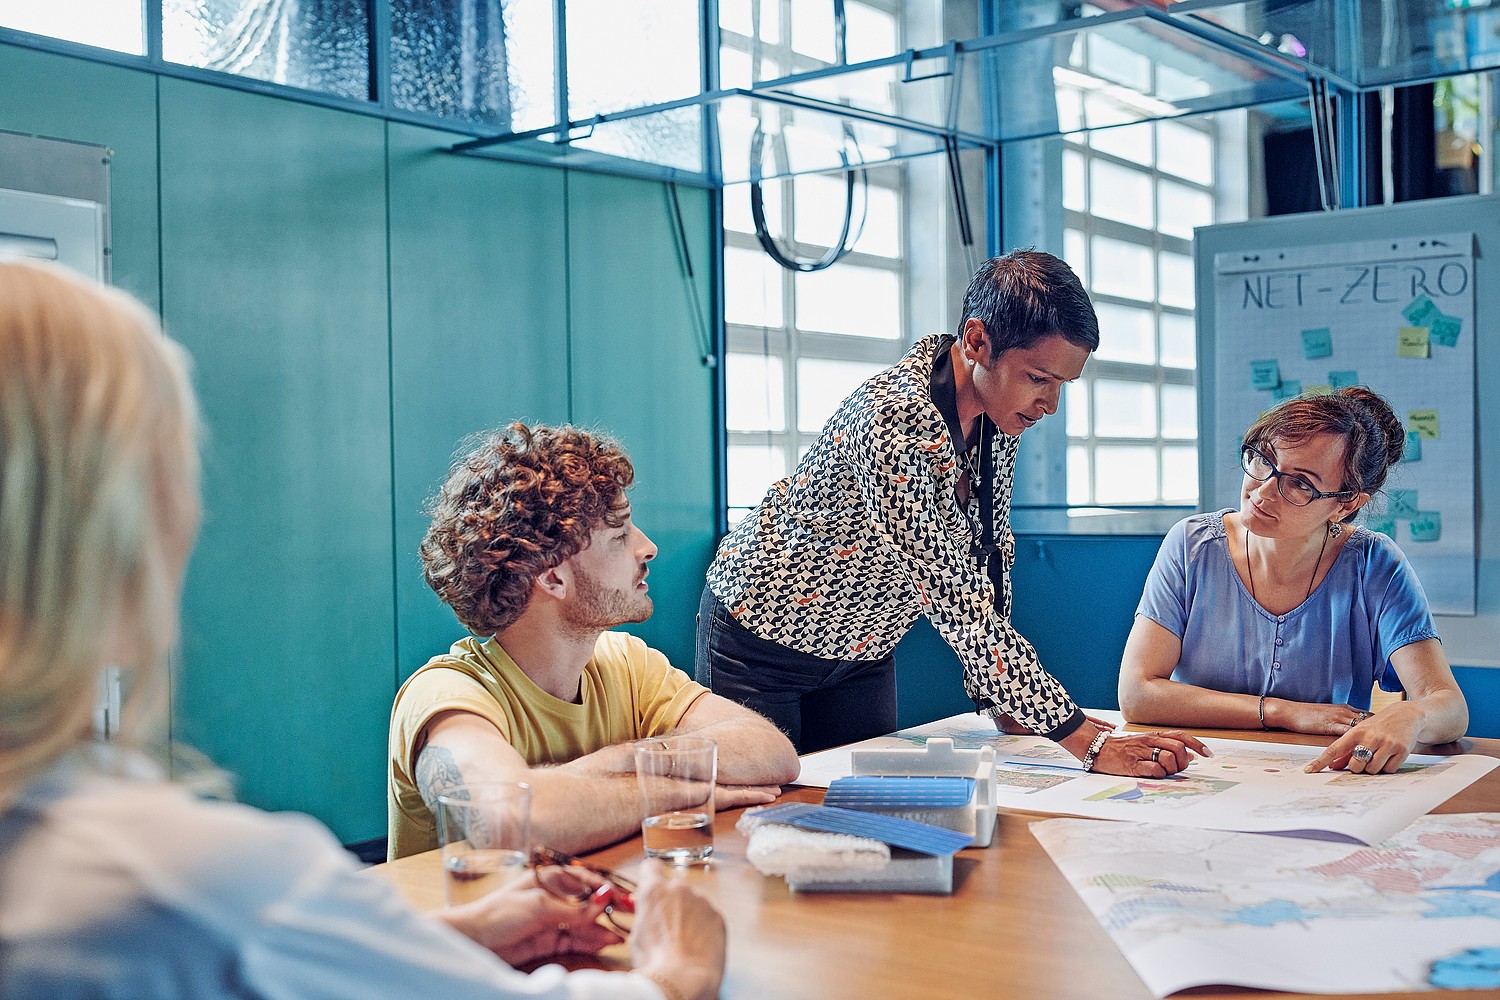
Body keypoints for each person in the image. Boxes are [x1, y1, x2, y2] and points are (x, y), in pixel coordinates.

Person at [0, 260, 726, 1000]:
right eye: (169, 475)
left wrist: (454, 938)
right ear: (100, 535)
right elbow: (505, 825)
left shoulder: (624, 661)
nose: (188, 518)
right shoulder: (181, 883)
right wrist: (677, 972)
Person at [699, 249, 1207, 776]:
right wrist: (1079, 737)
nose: (1051, 405)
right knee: (762, 806)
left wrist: (1006, 702)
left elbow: (989, 555)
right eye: (1039, 379)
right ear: (977, 340)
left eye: (1061, 384)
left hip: (863, 649)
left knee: (869, 808)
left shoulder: (995, 414)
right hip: (759, 642)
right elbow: (954, 598)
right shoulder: (894, 419)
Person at [390, 423, 799, 860]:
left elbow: (773, 753)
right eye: (619, 535)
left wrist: (619, 764)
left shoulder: (626, 662)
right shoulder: (447, 694)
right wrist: (675, 793)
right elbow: (507, 820)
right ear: (551, 577)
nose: (647, 547)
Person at [1117, 387, 1468, 774]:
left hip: (1319, 779)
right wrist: (1287, 713)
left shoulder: (1375, 563)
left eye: (1300, 483)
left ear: (1346, 503)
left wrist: (1414, 714)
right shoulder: (1191, 544)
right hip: (1199, 771)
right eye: (1263, 460)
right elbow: (1137, 693)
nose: (1263, 490)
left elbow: (1448, 706)